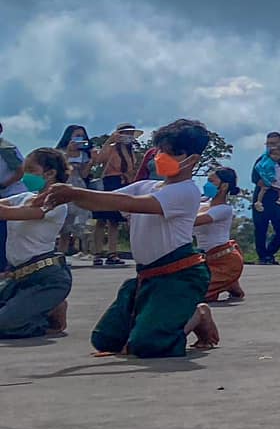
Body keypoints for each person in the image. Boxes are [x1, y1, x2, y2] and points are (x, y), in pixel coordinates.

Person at [47, 120, 221, 357]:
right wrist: (60, 195)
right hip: (147, 275)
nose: (163, 156)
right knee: (105, 339)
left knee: (148, 345)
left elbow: (130, 204)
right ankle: (163, 319)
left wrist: (74, 193)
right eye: (161, 150)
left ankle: (197, 314)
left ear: (192, 159)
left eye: (173, 153)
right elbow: (100, 200)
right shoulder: (145, 186)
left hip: (179, 276)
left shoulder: (186, 192)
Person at [0, 147, 77, 338]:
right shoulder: (24, 197)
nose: (25, 175)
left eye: (31, 170)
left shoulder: (56, 204)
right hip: (18, 278)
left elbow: (6, 213)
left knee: (5, 324)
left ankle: (48, 315)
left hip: (46, 279)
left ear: (50, 173)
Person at [91, 123, 144, 267]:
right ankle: (97, 252)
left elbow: (132, 168)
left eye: (130, 134)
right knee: (102, 219)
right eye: (125, 133)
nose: (128, 136)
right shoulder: (112, 148)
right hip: (109, 182)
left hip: (123, 183)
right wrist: (109, 141)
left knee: (115, 221)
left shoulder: (131, 151)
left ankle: (112, 253)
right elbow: (100, 159)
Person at [196, 167, 246, 304]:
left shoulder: (224, 210)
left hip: (225, 260)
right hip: (206, 260)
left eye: (211, 181)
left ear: (224, 186)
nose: (207, 184)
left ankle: (228, 279)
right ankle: (229, 283)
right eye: (207, 181)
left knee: (193, 294)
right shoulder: (202, 205)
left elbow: (194, 221)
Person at [250, 132, 280, 265]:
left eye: (274, 144)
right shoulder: (261, 161)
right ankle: (262, 256)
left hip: (278, 199)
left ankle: (270, 252)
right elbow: (254, 178)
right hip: (262, 198)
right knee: (261, 228)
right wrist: (268, 184)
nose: (271, 146)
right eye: (269, 144)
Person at [54, 126, 92, 256]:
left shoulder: (84, 155)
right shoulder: (59, 153)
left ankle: (65, 252)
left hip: (78, 185)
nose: (79, 139)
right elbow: (58, 170)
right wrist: (69, 152)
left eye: (82, 136)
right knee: (61, 219)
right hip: (63, 184)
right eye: (77, 136)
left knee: (72, 222)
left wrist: (91, 161)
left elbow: (85, 174)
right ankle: (57, 251)